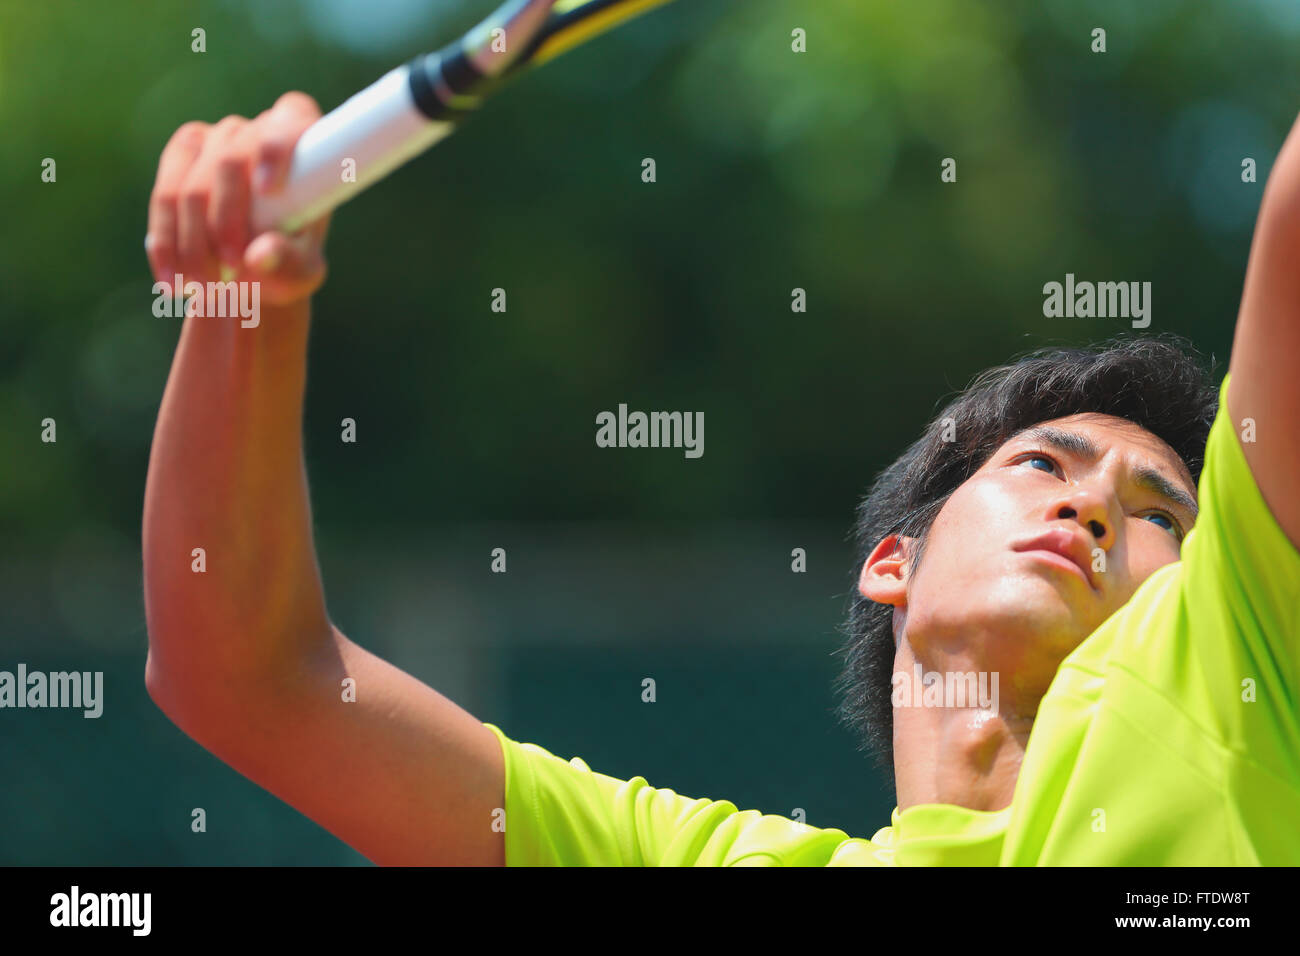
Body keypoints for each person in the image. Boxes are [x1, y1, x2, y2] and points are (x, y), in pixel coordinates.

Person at [142, 92, 1300, 866]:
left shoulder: (1231, 659)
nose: (1094, 502)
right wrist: (247, 301)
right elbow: (250, 678)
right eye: (1041, 461)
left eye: (1162, 511)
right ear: (891, 562)